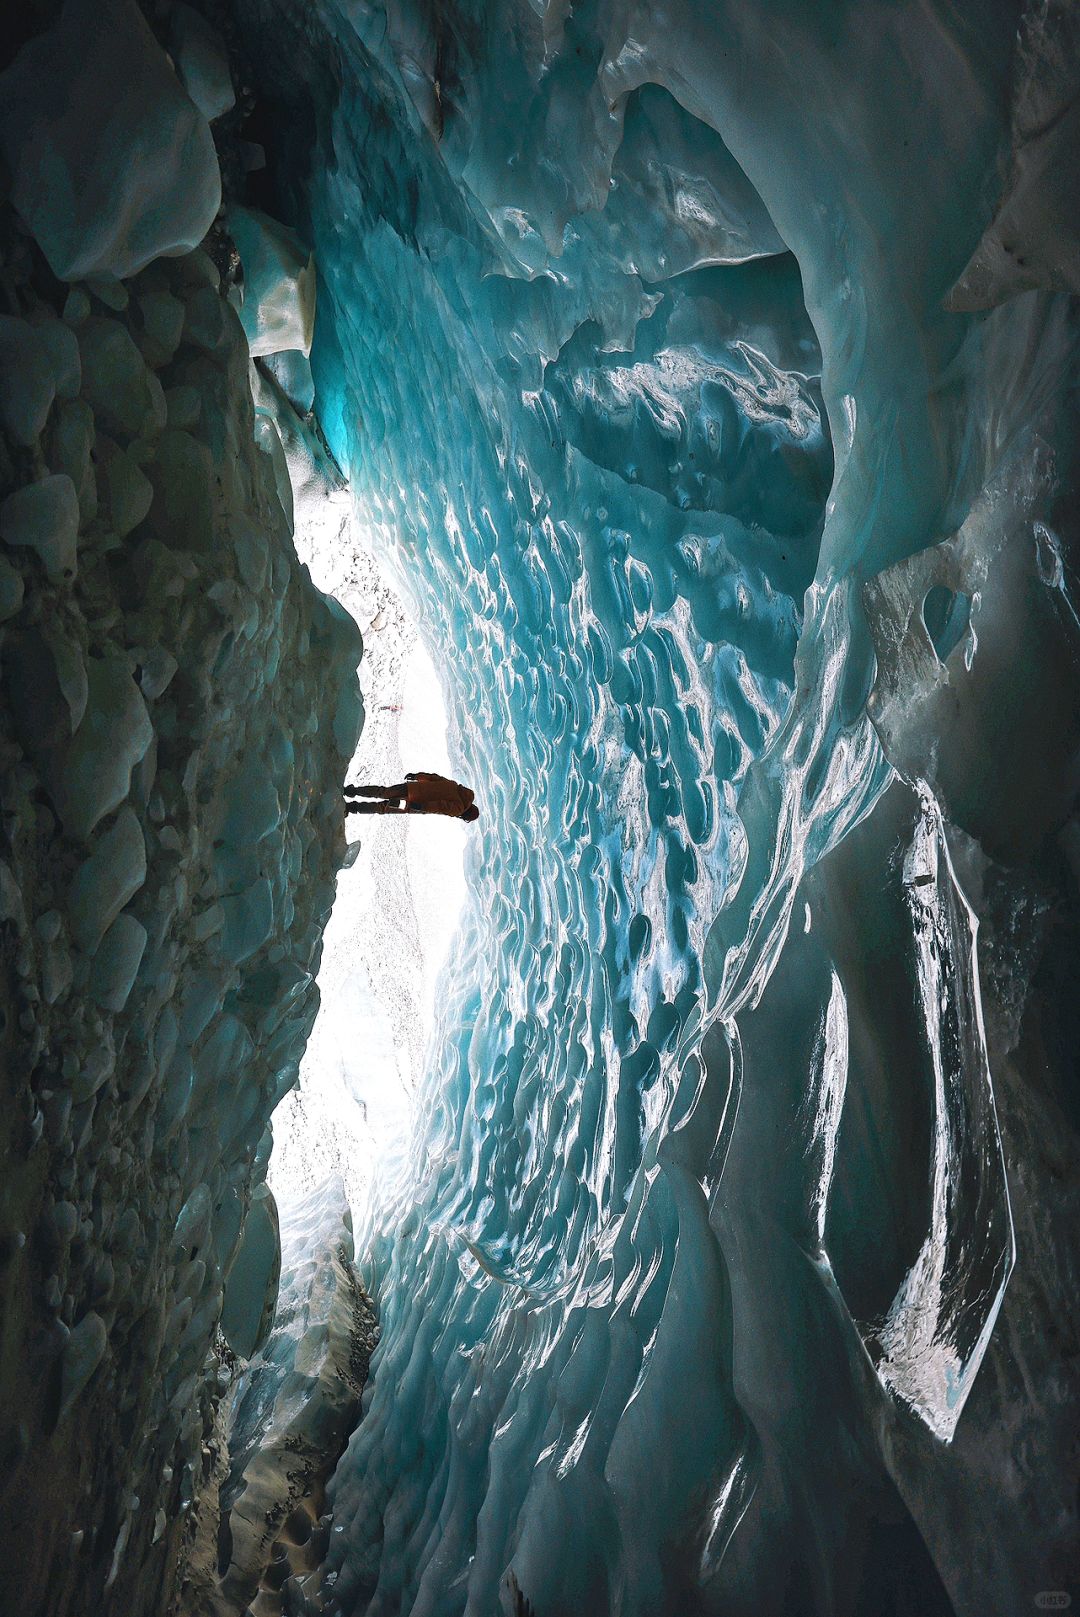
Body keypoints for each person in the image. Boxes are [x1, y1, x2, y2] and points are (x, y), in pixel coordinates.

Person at [344, 771, 479, 821]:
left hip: (411, 788)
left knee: (383, 792)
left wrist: (417, 776)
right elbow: (437, 806)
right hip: (412, 803)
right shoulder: (458, 808)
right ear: (465, 815)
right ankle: (351, 807)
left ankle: (352, 791)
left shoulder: (455, 786)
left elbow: (434, 778)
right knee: (383, 807)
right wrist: (420, 807)